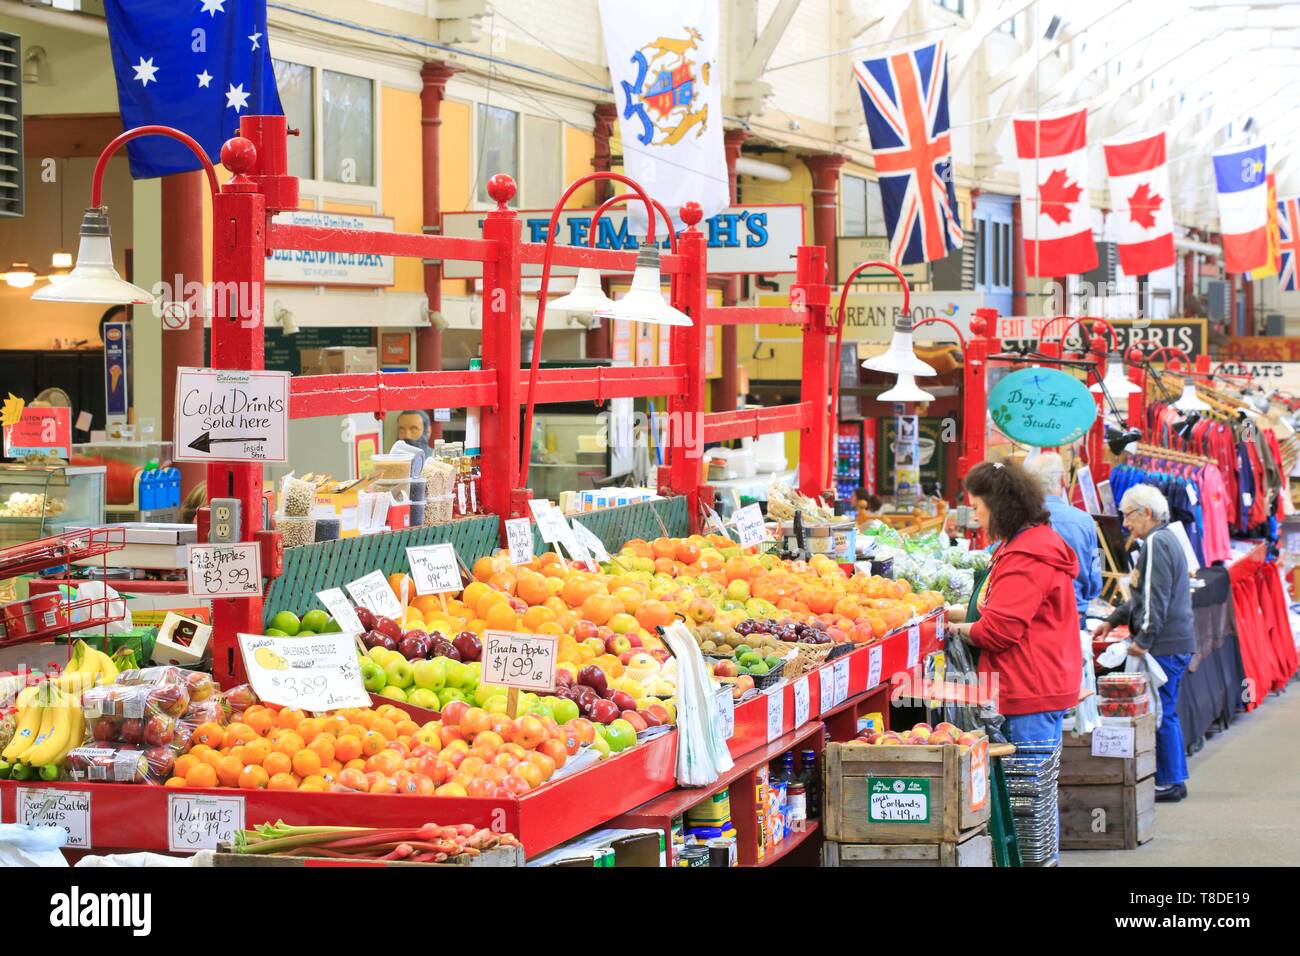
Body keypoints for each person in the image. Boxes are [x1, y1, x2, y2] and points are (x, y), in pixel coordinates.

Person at [946, 461, 1082, 748]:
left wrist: (949, 630)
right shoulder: (1028, 542)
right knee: (1036, 789)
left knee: (1025, 789)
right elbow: (998, 608)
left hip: (1027, 690)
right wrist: (952, 616)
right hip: (1038, 682)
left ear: (998, 508)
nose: (974, 515)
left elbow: (997, 631)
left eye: (977, 507)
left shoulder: (1026, 556)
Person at [1093, 484, 1195, 803]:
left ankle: (1171, 779)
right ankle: (1171, 776)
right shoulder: (1164, 539)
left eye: (1128, 516)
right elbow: (1142, 596)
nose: (1125, 524)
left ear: (1146, 513)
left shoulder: (1155, 543)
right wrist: (1113, 620)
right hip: (1172, 642)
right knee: (1165, 709)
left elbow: (1154, 599)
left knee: (1161, 710)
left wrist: (1143, 640)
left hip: (1163, 645)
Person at [1024, 452, 1102, 628]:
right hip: (1074, 615)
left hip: (1032, 618)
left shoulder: (1020, 520)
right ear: (1062, 480)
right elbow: (1096, 575)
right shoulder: (1085, 521)